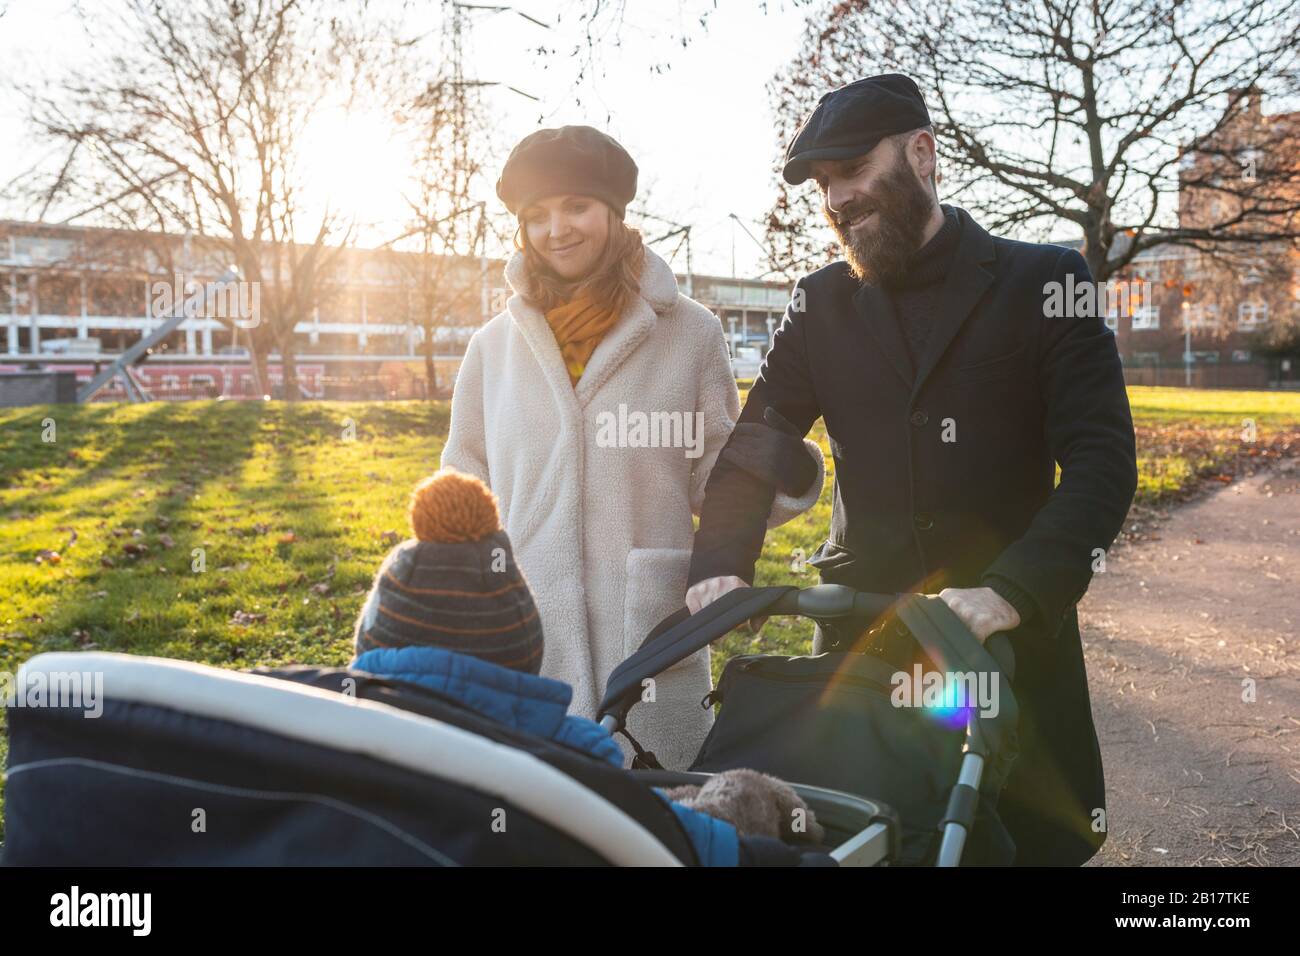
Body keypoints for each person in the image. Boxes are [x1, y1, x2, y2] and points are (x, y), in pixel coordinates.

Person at [685, 74, 1138, 865]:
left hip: (1005, 645)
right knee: (873, 840)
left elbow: (1102, 462)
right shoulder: (817, 305)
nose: (837, 200)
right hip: (866, 644)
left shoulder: (1044, 283)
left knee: (1024, 844)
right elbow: (758, 441)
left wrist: (1011, 591)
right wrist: (722, 565)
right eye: (824, 186)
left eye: (853, 171)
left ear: (923, 154)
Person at [441, 126, 824, 769]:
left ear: (614, 213)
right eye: (537, 216)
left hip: (650, 629)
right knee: (543, 809)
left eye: (576, 207)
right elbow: (463, 472)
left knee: (659, 810)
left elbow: (715, 471)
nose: (556, 229)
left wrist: (780, 468)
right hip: (527, 626)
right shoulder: (492, 348)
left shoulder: (690, 333)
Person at [350, 468, 825, 865]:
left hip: (640, 620)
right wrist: (748, 798)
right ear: (523, 646)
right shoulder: (571, 770)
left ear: (369, 639)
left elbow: (720, 468)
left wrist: (780, 473)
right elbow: (689, 843)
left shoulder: (322, 740)